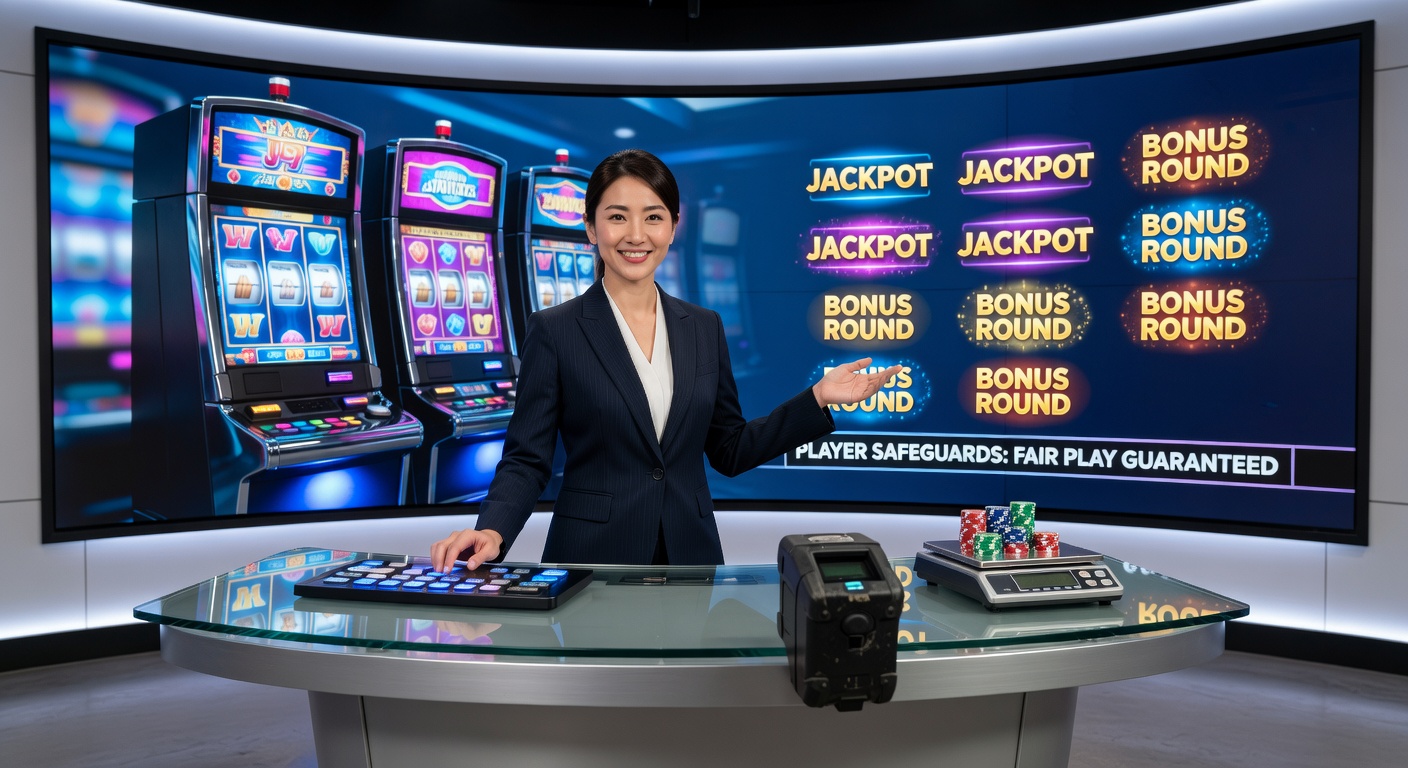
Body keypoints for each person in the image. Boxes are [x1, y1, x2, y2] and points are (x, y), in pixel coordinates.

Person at [430, 149, 900, 571]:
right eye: (617, 217)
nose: (636, 235)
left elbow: (729, 449)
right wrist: (493, 529)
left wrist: (816, 399)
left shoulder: (703, 326)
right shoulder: (555, 329)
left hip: (689, 555)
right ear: (591, 228)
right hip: (592, 558)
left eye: (653, 217)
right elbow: (526, 459)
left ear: (674, 227)